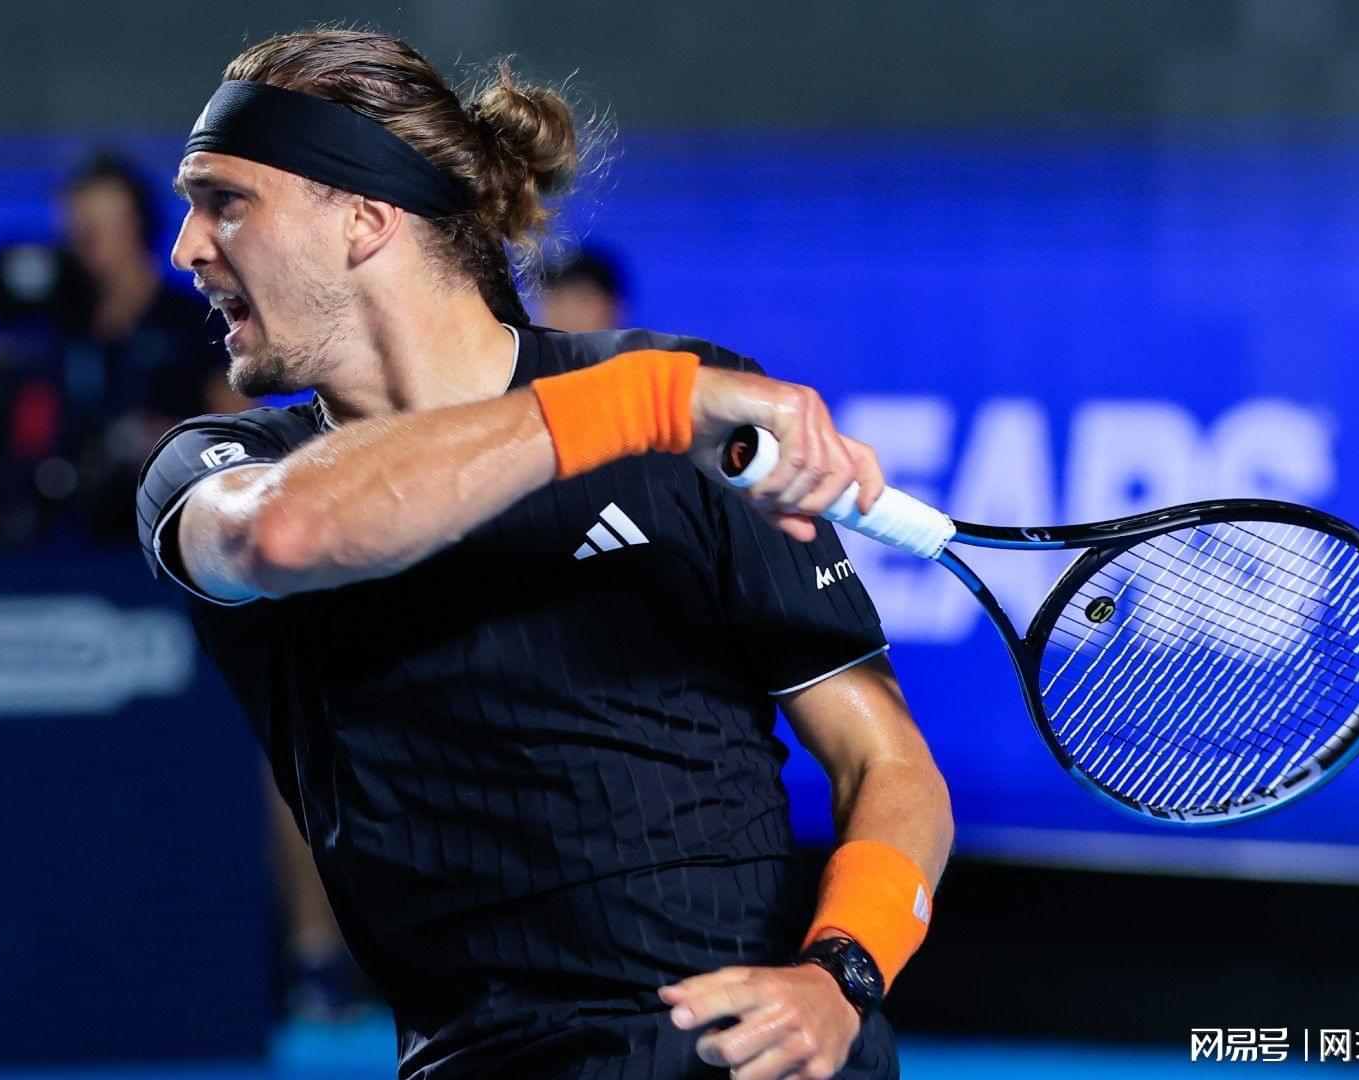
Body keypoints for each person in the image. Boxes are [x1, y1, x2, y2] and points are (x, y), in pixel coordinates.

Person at [136, 30, 953, 1080]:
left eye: (225, 202)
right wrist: (644, 405)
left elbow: (886, 762)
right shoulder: (217, 469)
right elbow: (286, 532)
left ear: (364, 219)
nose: (186, 248)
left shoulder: (692, 404)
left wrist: (842, 976)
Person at [58, 152, 248, 544]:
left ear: (138, 225)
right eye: (79, 228)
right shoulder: (57, 329)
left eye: (102, 227)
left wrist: (171, 441)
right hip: (73, 533)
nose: (87, 242)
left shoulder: (194, 322)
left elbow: (237, 429)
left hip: (174, 523)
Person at [539, 246, 630, 333]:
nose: (567, 313)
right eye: (557, 298)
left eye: (581, 298)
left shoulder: (636, 343)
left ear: (615, 308)